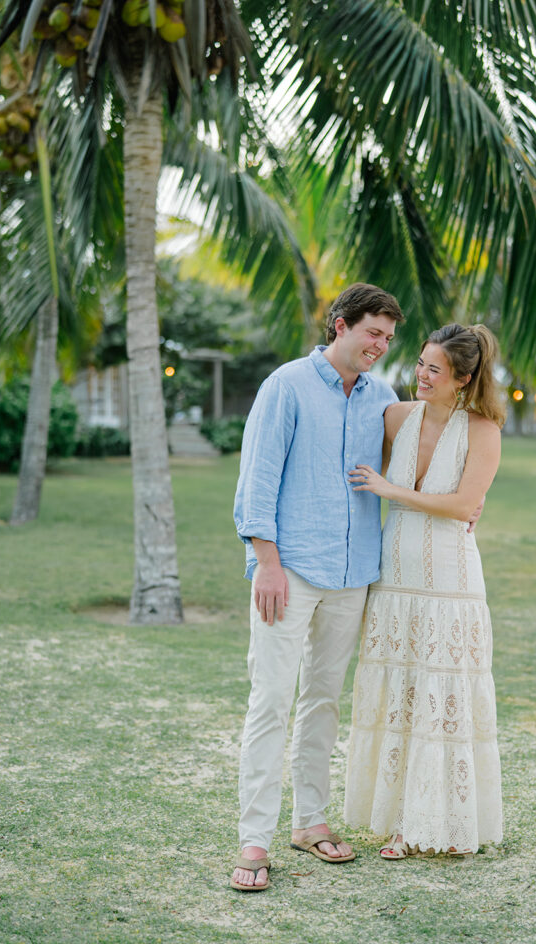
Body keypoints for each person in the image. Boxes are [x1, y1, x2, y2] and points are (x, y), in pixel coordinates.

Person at [230, 283, 405, 891]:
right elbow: (257, 480)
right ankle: (254, 840)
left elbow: (425, 454)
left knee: (323, 702)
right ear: (340, 326)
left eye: (388, 337)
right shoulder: (287, 385)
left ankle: (309, 822)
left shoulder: (383, 397)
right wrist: (268, 562)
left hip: (353, 574)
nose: (380, 346)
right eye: (371, 333)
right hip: (291, 570)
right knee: (271, 700)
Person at [344, 323, 505, 858]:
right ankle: (398, 821)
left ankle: (434, 824)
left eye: (434, 370)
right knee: (402, 697)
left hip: (451, 583)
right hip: (396, 579)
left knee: (442, 699)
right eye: (419, 364)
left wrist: (391, 489)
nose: (421, 376)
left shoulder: (483, 430)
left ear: (461, 379)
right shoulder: (398, 416)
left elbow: (463, 506)